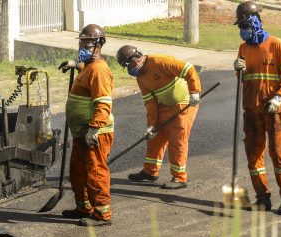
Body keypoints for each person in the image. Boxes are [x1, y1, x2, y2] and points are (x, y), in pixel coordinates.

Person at [233, 1, 281, 215]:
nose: (243, 31)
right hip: (251, 110)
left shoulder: (276, 45)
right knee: (253, 156)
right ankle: (262, 198)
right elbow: (244, 79)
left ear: (255, 22)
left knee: (278, 155)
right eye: (240, 27)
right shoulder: (243, 48)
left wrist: (279, 97)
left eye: (245, 26)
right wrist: (237, 69)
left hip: (274, 110)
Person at [117, 45, 201, 189]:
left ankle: (179, 178)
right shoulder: (140, 78)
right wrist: (151, 125)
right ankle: (150, 172)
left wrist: (194, 91)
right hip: (164, 106)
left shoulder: (159, 61)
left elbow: (188, 69)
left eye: (129, 65)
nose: (130, 69)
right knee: (155, 138)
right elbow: (150, 102)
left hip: (184, 104)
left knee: (177, 139)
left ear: (136, 59)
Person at [58, 24, 114, 226]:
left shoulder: (99, 71)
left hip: (94, 132)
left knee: (95, 172)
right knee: (78, 171)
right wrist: (76, 64)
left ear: (98, 46)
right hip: (82, 132)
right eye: (81, 42)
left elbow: (103, 104)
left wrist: (94, 129)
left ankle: (101, 214)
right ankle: (84, 208)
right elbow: (87, 70)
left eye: (87, 43)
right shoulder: (89, 67)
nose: (82, 46)